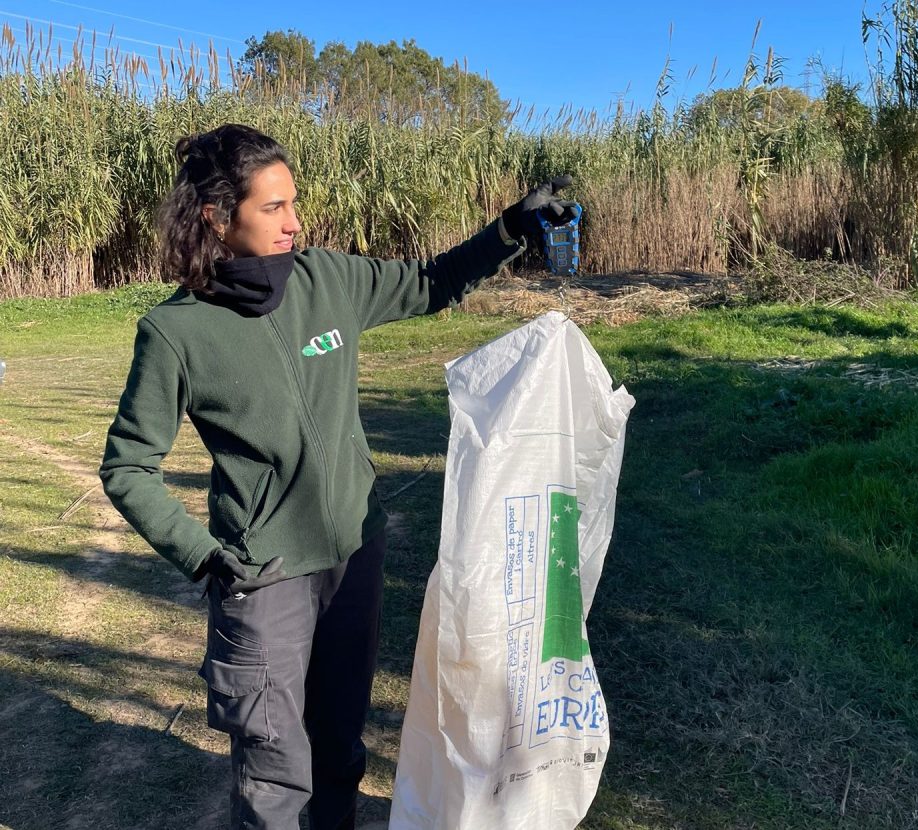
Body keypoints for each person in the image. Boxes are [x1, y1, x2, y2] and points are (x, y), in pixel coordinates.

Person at [99, 123, 578, 830]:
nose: (294, 222)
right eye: (273, 207)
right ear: (217, 217)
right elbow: (128, 466)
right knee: (274, 772)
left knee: (340, 751)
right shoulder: (176, 334)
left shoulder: (327, 280)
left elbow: (432, 282)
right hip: (264, 579)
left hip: (355, 556)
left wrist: (510, 228)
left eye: (293, 202)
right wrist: (205, 556)